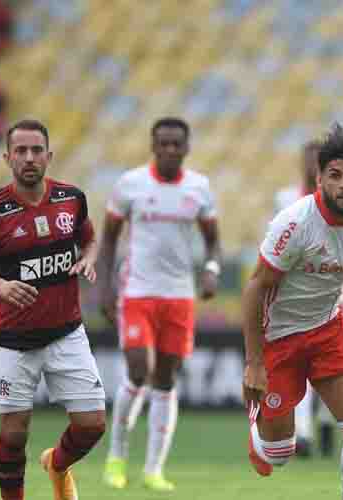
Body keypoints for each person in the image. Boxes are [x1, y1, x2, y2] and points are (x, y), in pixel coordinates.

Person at [241, 126, 343, 500]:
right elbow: (255, 288)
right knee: (279, 454)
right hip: (279, 336)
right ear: (319, 179)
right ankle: (259, 430)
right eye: (335, 175)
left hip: (328, 329)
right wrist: (254, 362)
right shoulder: (294, 222)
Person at [0, 119, 105, 500]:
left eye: (36, 150)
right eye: (20, 151)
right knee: (13, 435)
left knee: (92, 425)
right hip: (16, 340)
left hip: (67, 332)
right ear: (7, 158)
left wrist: (88, 259)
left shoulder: (71, 198)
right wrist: (0, 285)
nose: (29, 158)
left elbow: (90, 239)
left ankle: (56, 463)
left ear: (48, 156)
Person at [100, 117, 221, 492]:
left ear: (186, 148)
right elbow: (108, 240)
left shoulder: (199, 188)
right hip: (137, 292)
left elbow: (213, 241)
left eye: (176, 144)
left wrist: (211, 270)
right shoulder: (130, 184)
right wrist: (103, 289)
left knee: (166, 380)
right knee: (139, 370)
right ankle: (116, 457)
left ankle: (154, 470)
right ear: (153, 146)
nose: (169, 149)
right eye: (163, 143)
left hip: (180, 296)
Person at [274, 139, 340, 458]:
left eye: (319, 160)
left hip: (330, 291)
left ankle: (325, 419)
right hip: (294, 293)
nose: (313, 165)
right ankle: (302, 434)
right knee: (299, 365)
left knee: (329, 367)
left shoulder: (339, 200)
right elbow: (274, 241)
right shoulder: (285, 199)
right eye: (309, 159)